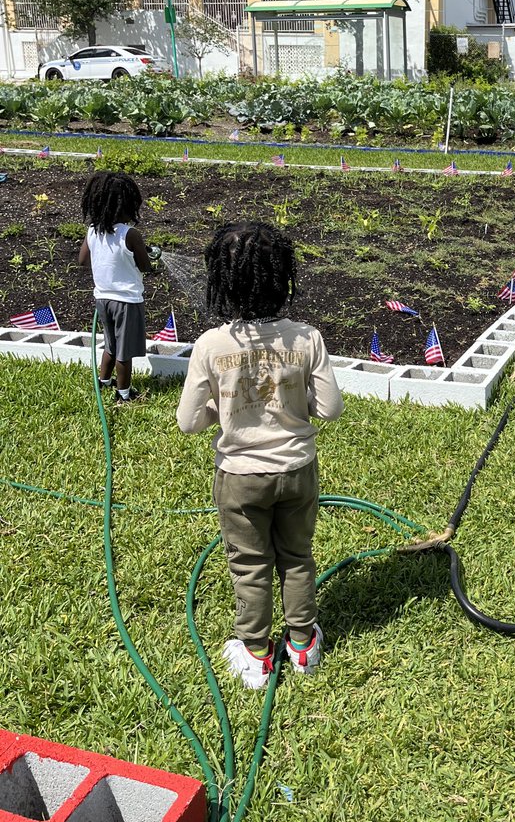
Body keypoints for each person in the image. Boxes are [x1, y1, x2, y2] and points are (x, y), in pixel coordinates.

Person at [176, 221, 344, 690]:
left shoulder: (211, 345)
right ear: (282, 277)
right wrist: (292, 403)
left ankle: (255, 652)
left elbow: (189, 421)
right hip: (297, 470)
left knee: (250, 563)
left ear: (221, 283)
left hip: (240, 476)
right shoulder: (306, 337)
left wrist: (225, 406)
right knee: (296, 556)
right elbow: (329, 408)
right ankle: (303, 644)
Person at [78, 170, 153, 404]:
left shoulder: (93, 231)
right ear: (129, 204)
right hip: (127, 301)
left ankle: (103, 382)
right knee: (124, 350)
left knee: (110, 344)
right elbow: (146, 266)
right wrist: (150, 257)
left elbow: (82, 260)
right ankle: (125, 395)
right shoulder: (130, 234)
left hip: (102, 298)